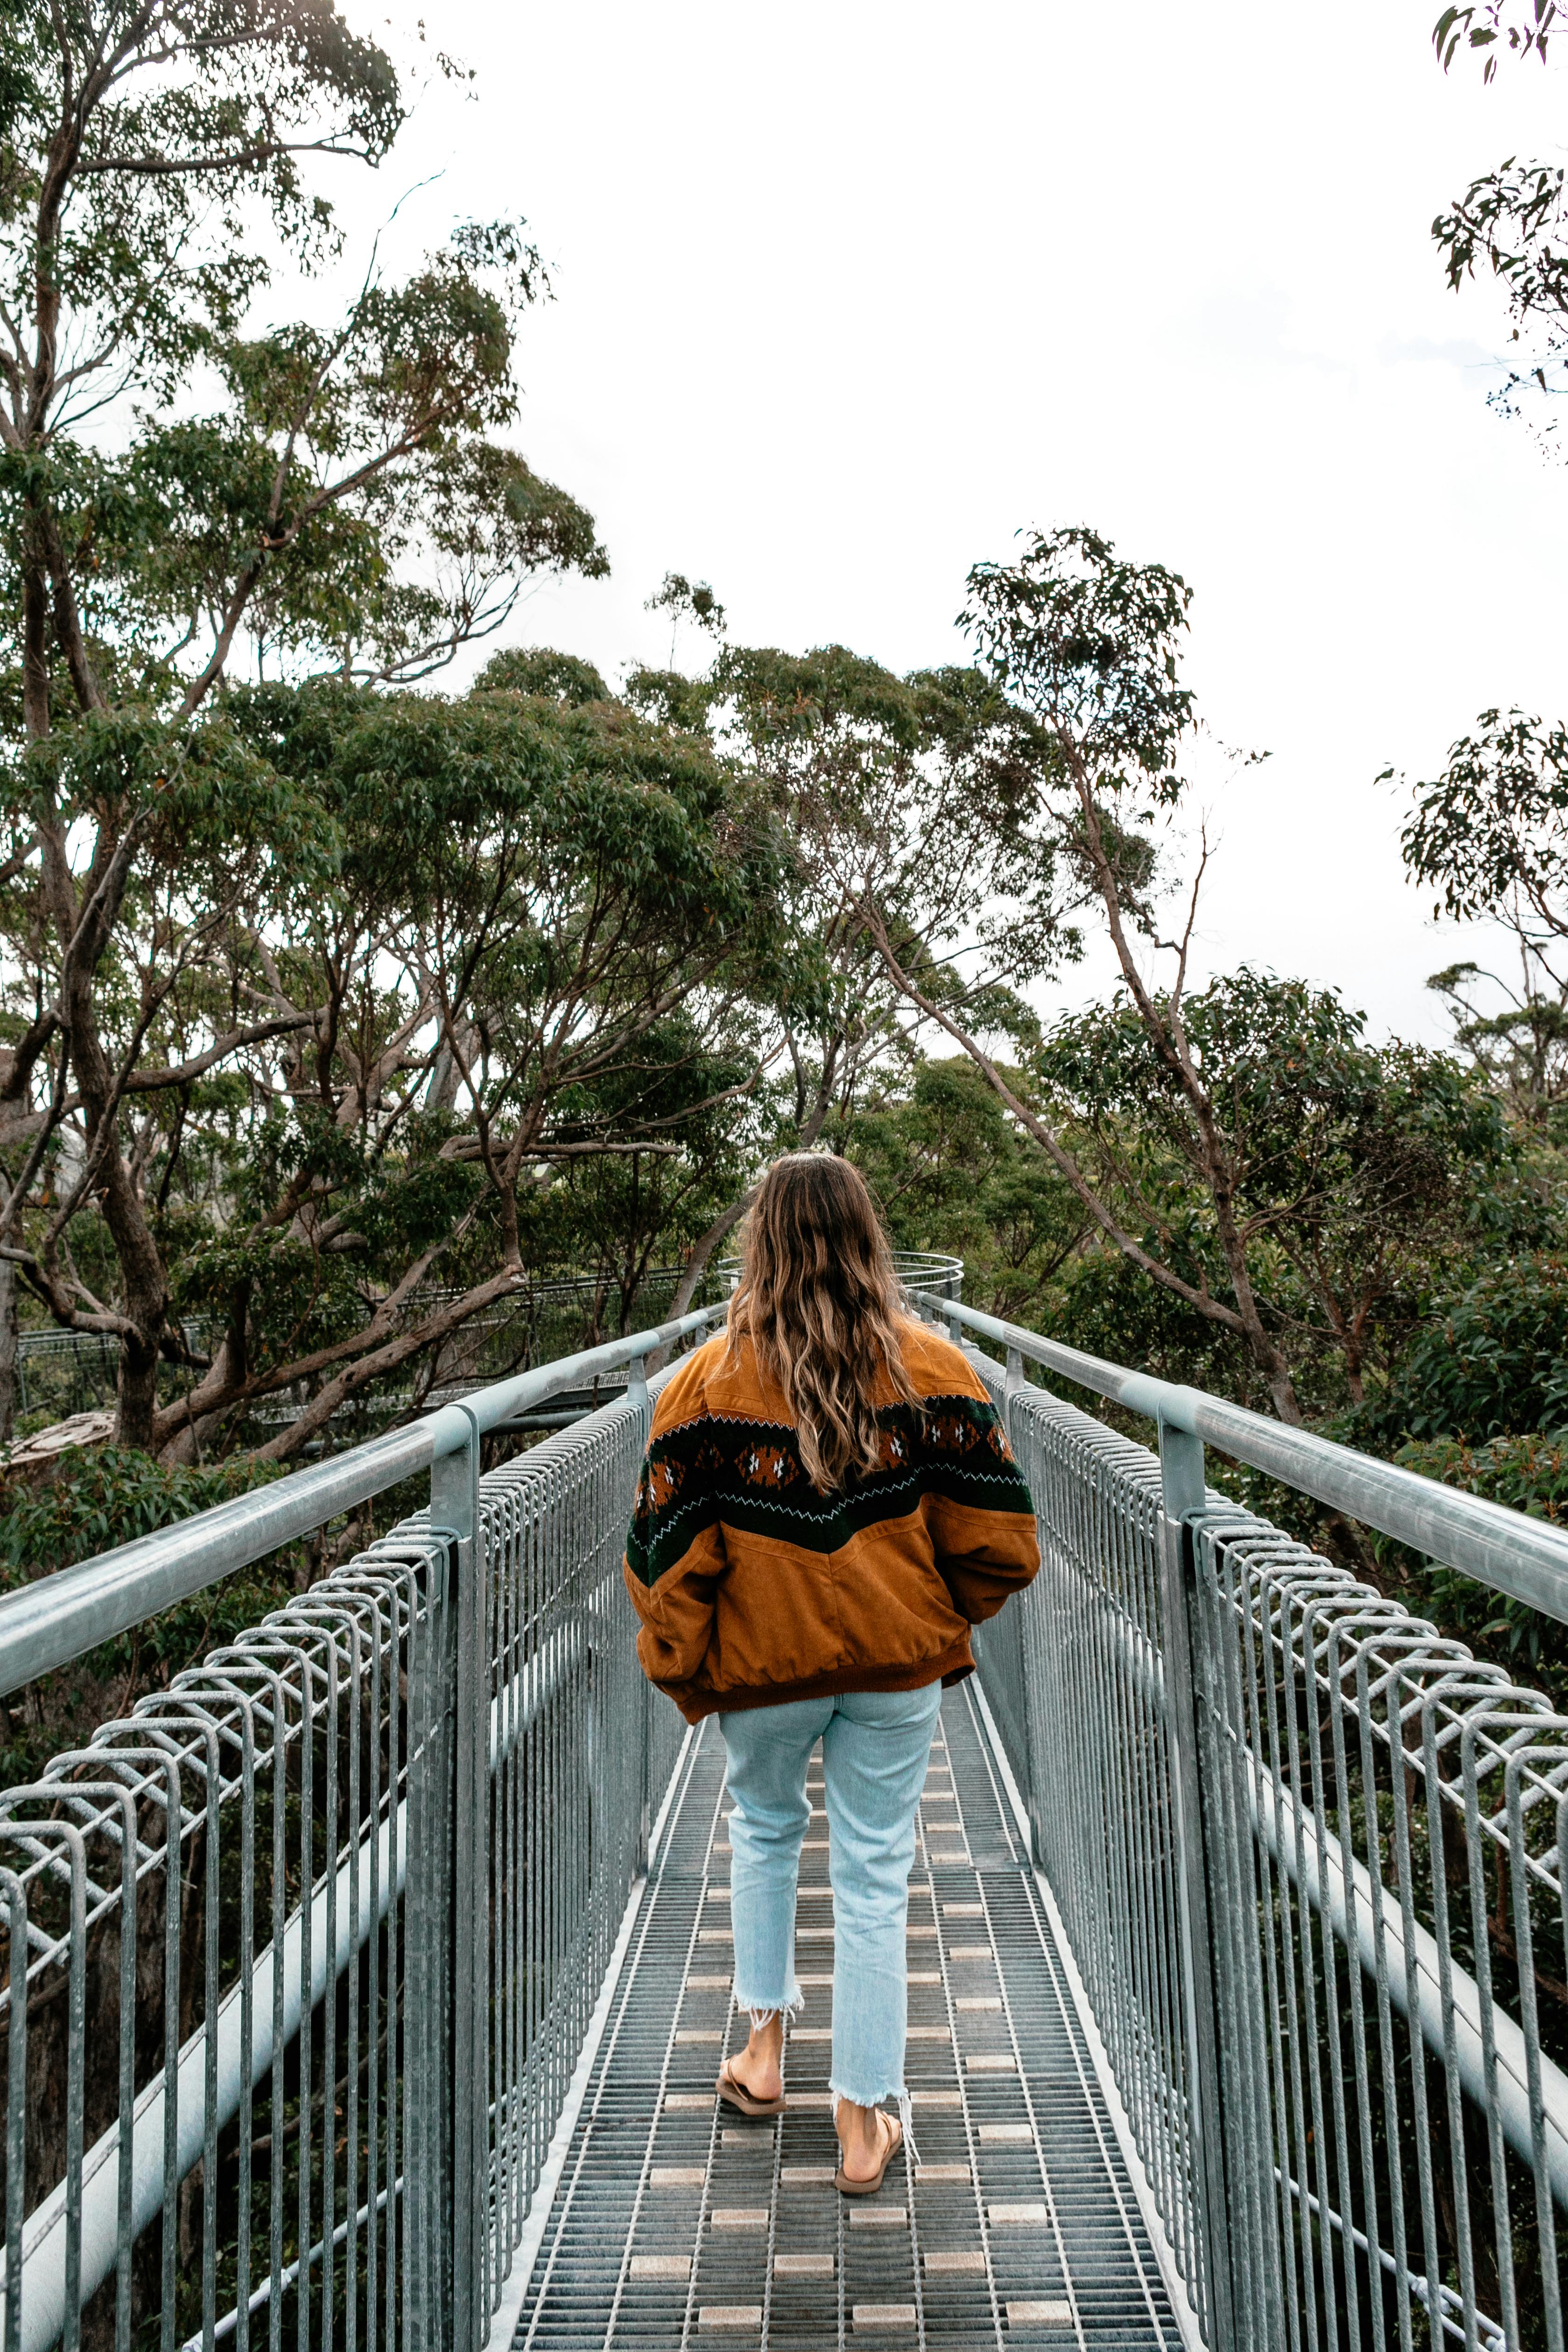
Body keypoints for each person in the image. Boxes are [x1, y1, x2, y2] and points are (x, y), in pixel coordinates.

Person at [623, 1153, 1040, 2195]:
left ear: (760, 1240)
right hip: (898, 1666)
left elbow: (669, 1554)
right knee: (874, 1873)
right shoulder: (934, 1369)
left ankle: (761, 2058)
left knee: (763, 1832)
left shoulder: (701, 1385)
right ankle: (862, 2124)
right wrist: (940, 1615)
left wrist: (688, 1667)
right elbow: (999, 1537)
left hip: (765, 1673)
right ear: (867, 1239)